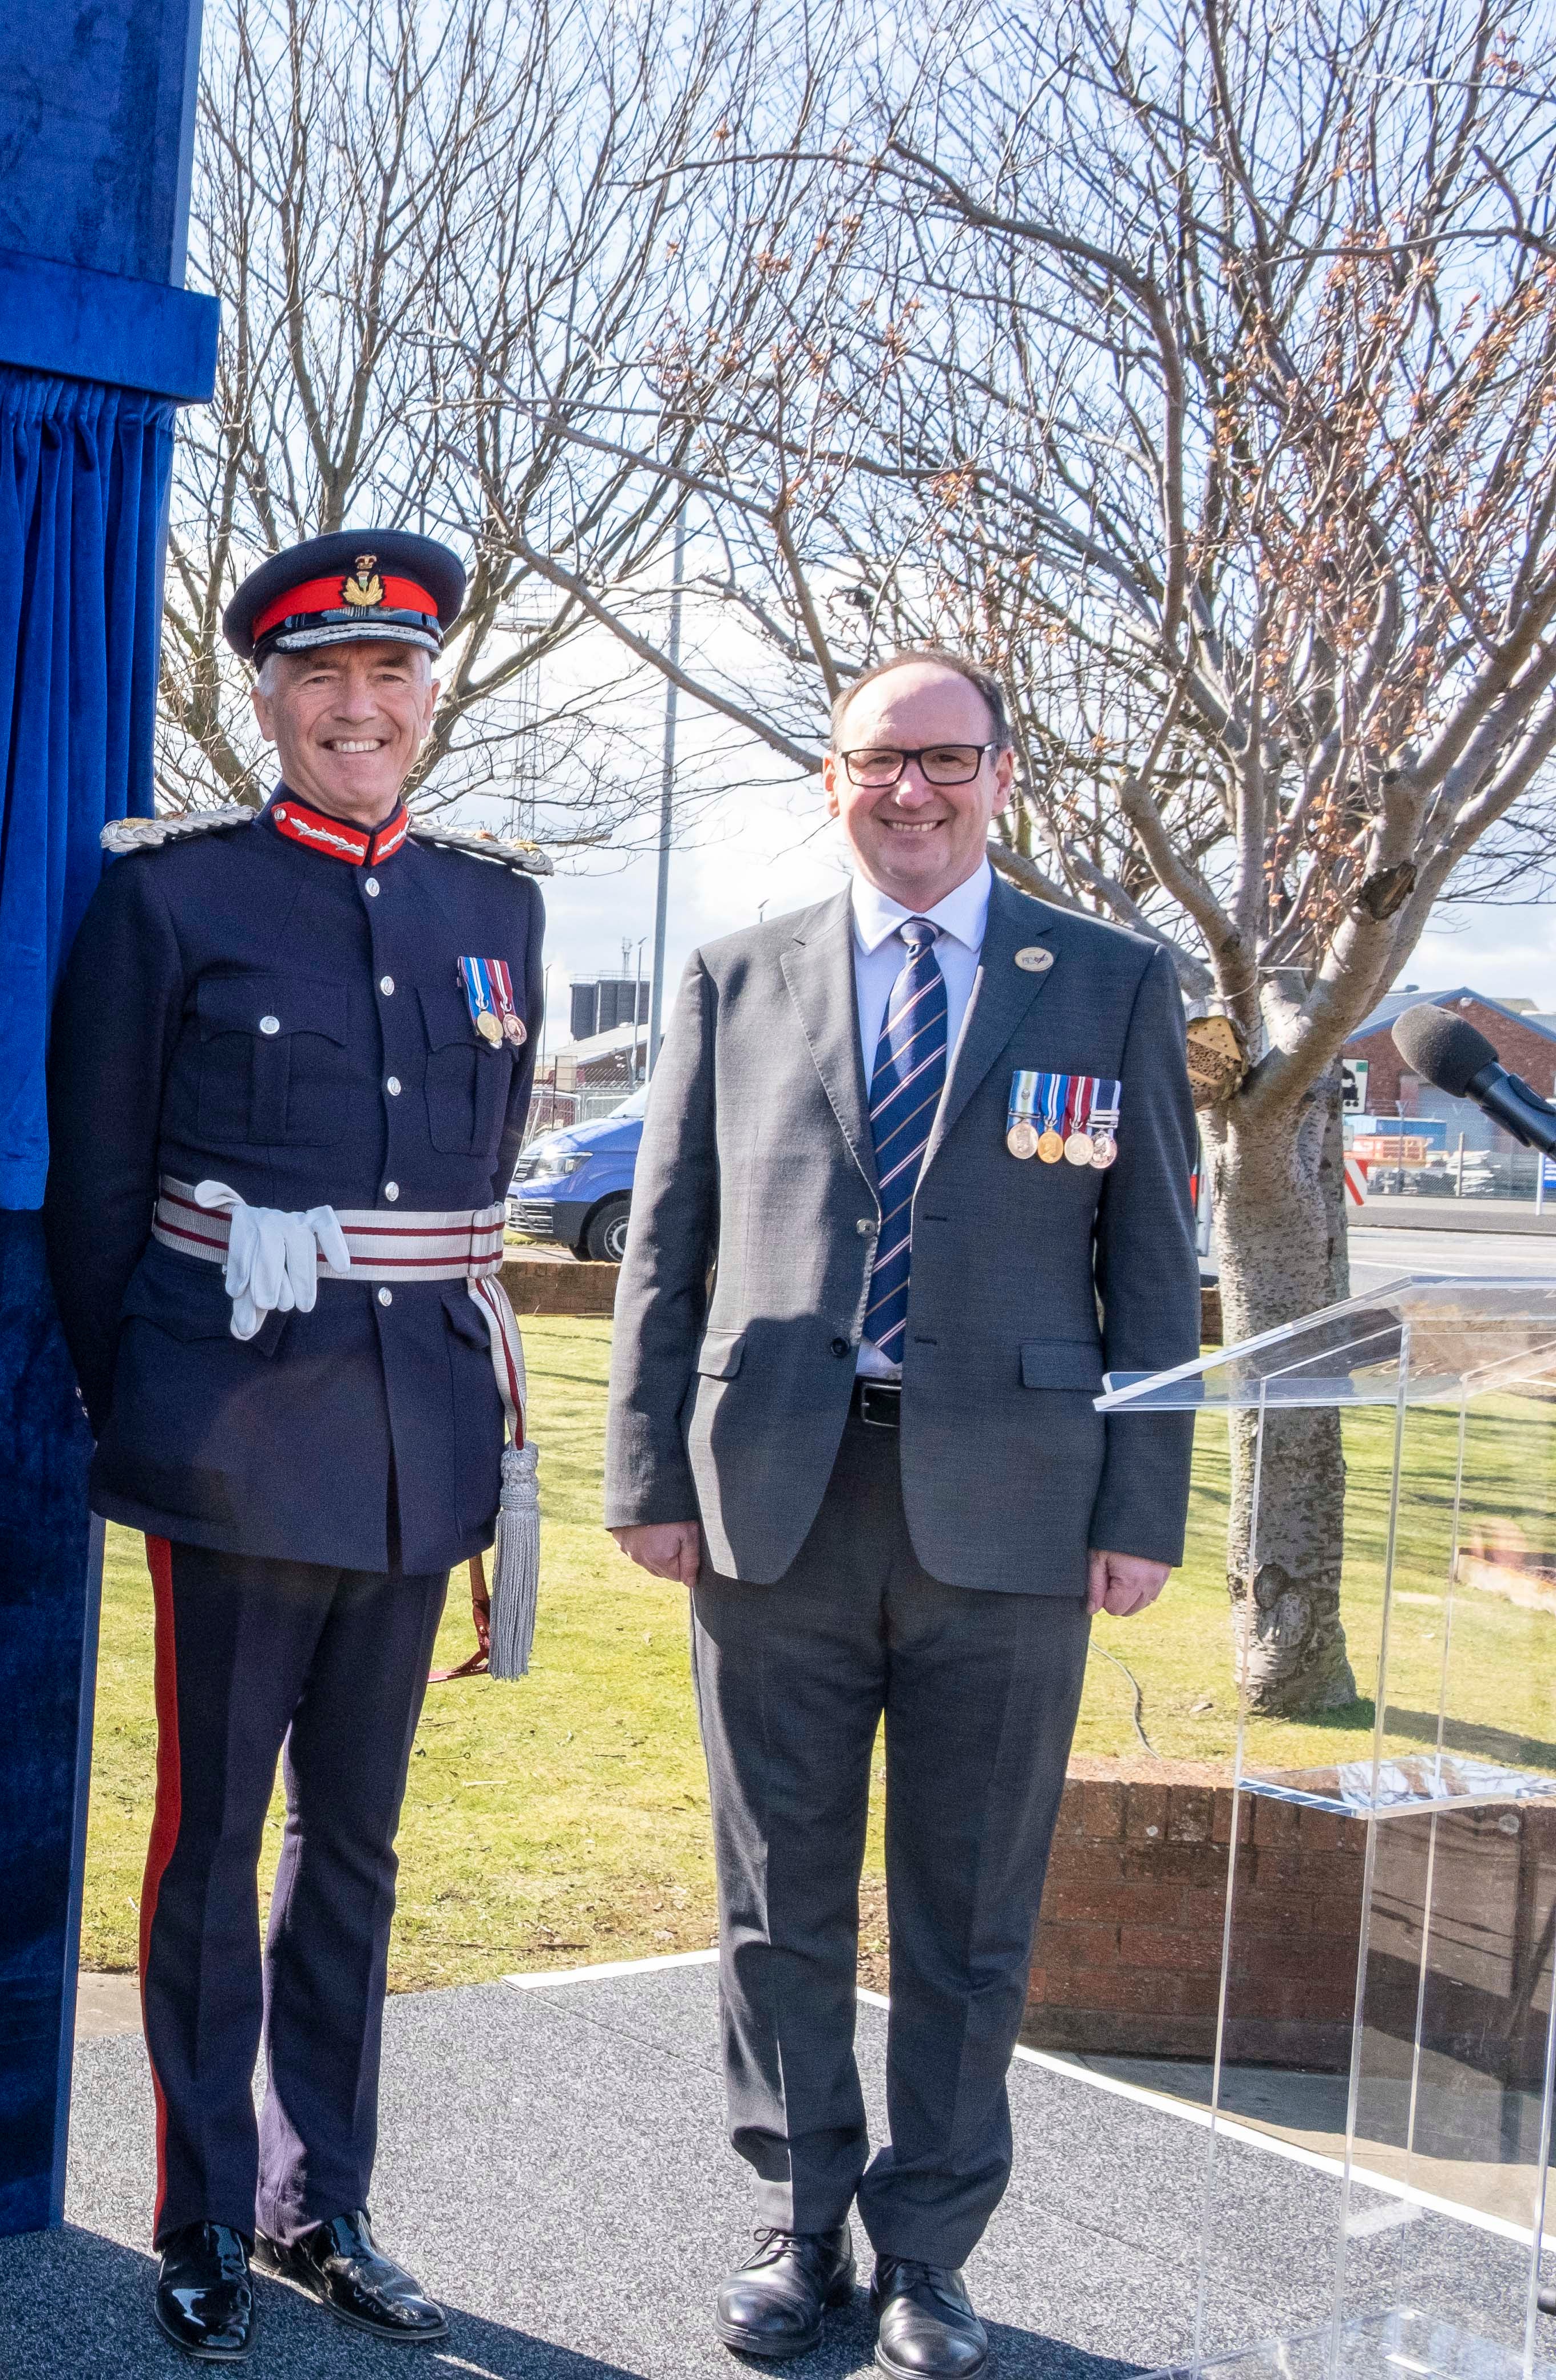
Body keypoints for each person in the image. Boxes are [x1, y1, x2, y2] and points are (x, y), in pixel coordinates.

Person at [604, 647, 1197, 2380]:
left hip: (1014, 1519)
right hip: (774, 1502)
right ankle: (801, 2227)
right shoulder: (738, 974)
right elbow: (668, 1245)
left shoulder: (1111, 981)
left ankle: (929, 2252)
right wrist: (648, 1477)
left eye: (947, 761)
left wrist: (1142, 1505)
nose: (913, 793)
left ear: (1004, 775)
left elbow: (1155, 1272)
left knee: (970, 1908)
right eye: (881, 763)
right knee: (776, 1893)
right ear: (831, 776)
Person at [46, 529, 545, 2364]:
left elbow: (475, 1202)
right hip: (239, 1447)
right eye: (321, 680)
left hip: (421, 1444)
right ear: (268, 699)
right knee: (210, 1845)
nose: (360, 707)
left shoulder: (498, 909)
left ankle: (320, 2198)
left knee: (361, 1849)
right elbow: (95, 1200)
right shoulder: (177, 899)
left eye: (390, 678)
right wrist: (153, 1414)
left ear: (428, 697)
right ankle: (194, 2216)